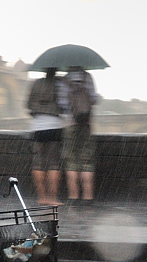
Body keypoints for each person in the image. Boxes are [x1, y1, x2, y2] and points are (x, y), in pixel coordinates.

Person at [27, 68, 64, 205]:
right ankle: (53, 198)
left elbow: (28, 105)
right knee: (53, 163)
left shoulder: (36, 83)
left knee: (38, 163)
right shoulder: (59, 84)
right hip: (54, 126)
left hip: (37, 127)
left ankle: (41, 197)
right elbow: (64, 105)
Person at [61, 66, 98, 202]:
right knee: (87, 161)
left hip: (70, 124)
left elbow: (61, 103)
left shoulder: (64, 79)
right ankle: (88, 197)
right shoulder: (87, 77)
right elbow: (94, 99)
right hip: (86, 123)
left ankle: (73, 196)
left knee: (71, 161)